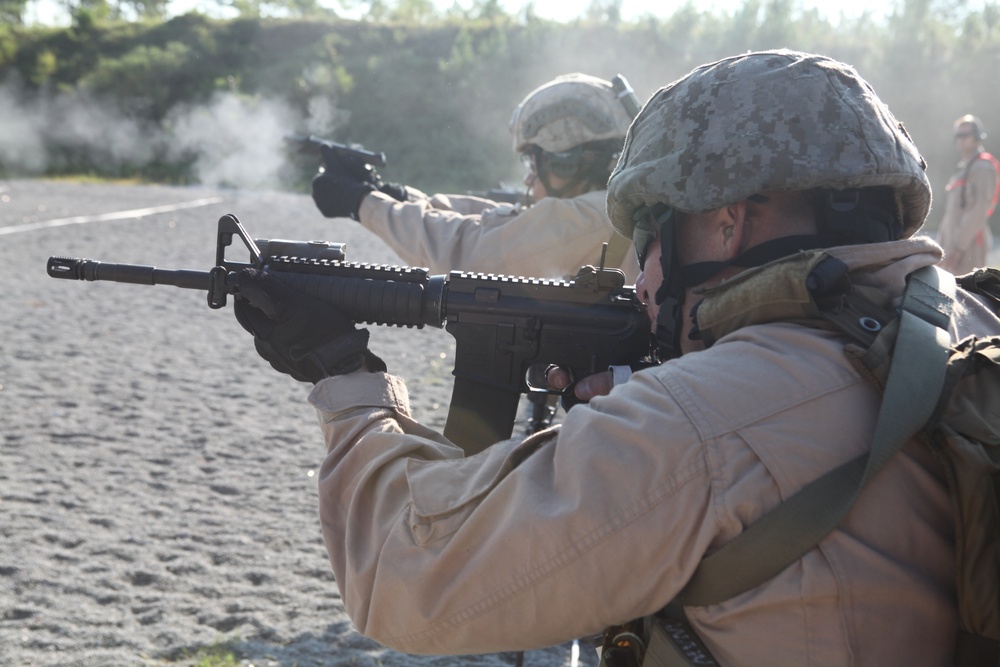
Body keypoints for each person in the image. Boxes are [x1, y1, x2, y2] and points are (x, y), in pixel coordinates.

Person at [232, 50, 1000, 665]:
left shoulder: (693, 428)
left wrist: (348, 383)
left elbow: (402, 576)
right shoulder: (964, 318)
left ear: (728, 225)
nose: (643, 279)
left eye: (653, 238)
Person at [310, 73, 640, 282]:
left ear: (569, 162)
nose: (528, 180)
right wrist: (394, 195)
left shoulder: (601, 217)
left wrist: (362, 203)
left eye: (534, 164)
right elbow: (498, 224)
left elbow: (472, 251)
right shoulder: (610, 209)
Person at [938, 114, 1000, 274]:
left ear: (977, 137)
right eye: (957, 135)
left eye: (965, 135)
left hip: (969, 246)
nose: (960, 139)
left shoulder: (982, 167)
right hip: (952, 245)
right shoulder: (964, 168)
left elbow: (979, 211)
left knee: (965, 294)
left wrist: (958, 248)